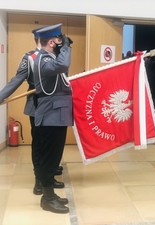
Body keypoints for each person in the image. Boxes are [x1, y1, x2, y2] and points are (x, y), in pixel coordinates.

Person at [0, 27, 63, 196]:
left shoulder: (56, 56)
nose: (58, 42)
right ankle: (39, 180)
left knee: (52, 145)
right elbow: (16, 80)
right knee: (39, 145)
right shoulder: (31, 58)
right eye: (56, 39)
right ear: (42, 39)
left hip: (55, 108)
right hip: (37, 107)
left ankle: (49, 177)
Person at [33, 23, 73, 214]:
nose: (61, 41)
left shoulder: (49, 57)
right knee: (49, 159)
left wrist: (64, 47)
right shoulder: (43, 59)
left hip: (56, 115)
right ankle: (48, 199)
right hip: (50, 115)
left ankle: (49, 196)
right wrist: (66, 47)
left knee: (54, 158)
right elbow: (63, 65)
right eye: (59, 39)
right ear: (51, 42)